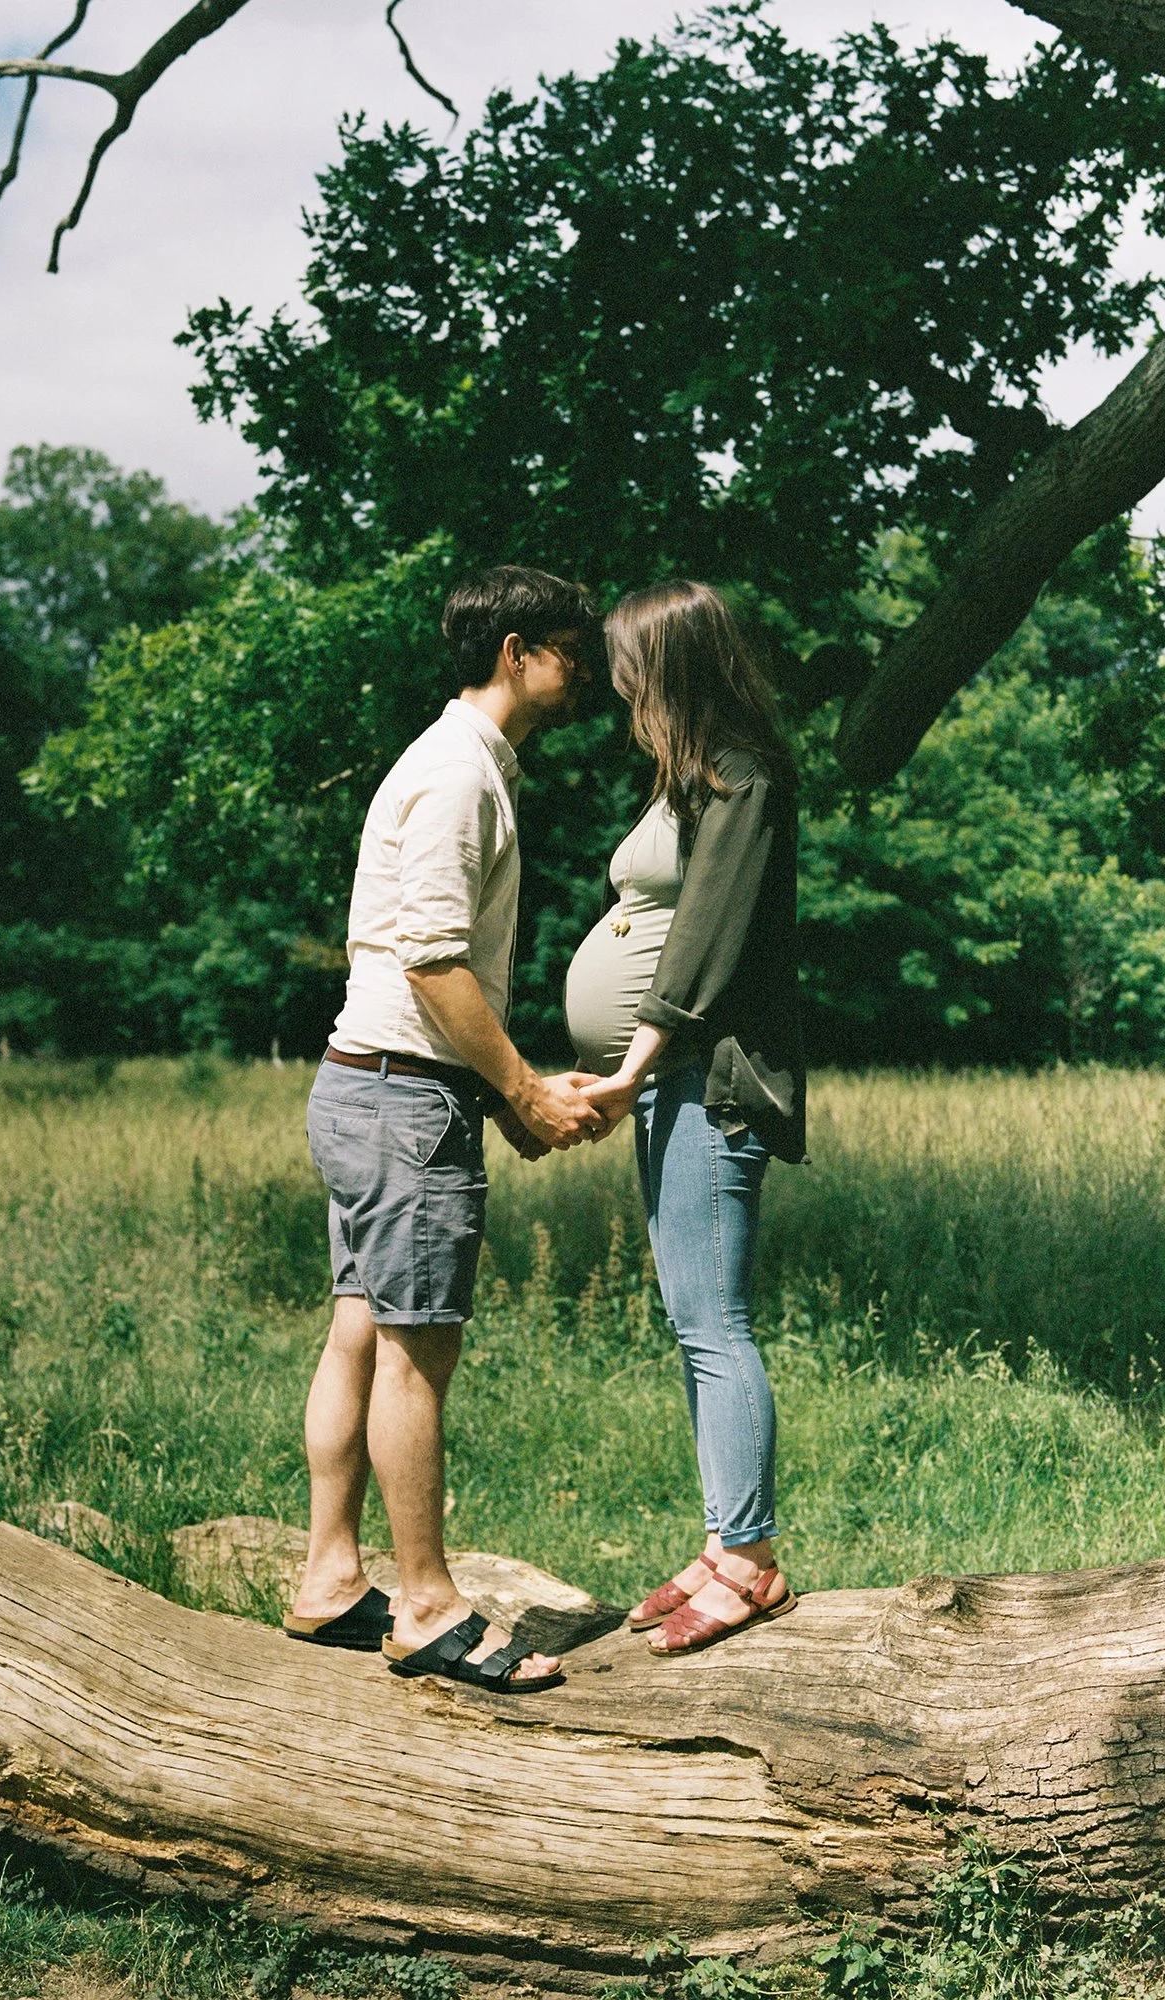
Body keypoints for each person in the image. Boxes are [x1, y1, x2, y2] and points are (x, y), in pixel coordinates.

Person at [286, 565, 604, 1693]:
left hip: (374, 1086)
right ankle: (424, 1607)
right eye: (575, 653)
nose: (589, 678)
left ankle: (328, 1578)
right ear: (517, 650)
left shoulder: (450, 761)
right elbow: (429, 959)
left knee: (361, 1332)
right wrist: (518, 1088)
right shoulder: (462, 773)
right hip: (402, 1098)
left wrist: (498, 1095)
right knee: (415, 1356)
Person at [565, 580, 806, 1657]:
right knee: (692, 1324)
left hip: (707, 1082)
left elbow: (701, 948)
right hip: (666, 1084)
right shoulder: (692, 780)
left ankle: (748, 1562)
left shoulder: (744, 779)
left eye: (623, 659)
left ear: (665, 663)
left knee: (716, 1324)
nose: (611, 677)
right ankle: (721, 1540)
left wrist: (628, 1069)